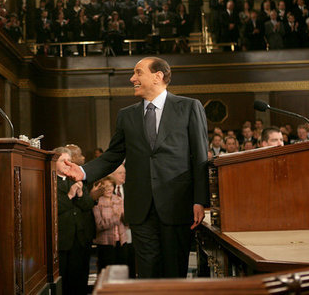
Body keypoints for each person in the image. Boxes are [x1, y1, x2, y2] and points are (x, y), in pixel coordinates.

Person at [61, 57, 209, 279]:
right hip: (141, 209)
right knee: (147, 275)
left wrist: (200, 200)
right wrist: (82, 172)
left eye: (138, 73)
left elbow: (200, 158)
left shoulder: (188, 107)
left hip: (177, 205)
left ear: (158, 76)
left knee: (174, 274)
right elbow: (112, 156)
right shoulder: (126, 115)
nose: (132, 78)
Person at [54, 147, 95, 295]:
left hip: (81, 238)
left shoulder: (76, 179)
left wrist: (81, 193)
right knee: (65, 282)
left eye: (69, 161)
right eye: (62, 160)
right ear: (54, 162)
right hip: (63, 241)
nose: (66, 163)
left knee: (80, 279)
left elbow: (88, 205)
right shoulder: (49, 180)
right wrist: (70, 195)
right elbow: (54, 208)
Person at [93, 176, 128, 273]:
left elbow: (125, 222)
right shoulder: (97, 203)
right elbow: (99, 225)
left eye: (110, 186)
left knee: (122, 273)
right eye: (105, 186)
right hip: (105, 243)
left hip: (121, 242)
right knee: (107, 273)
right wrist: (116, 219)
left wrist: (126, 217)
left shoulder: (119, 200)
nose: (108, 189)